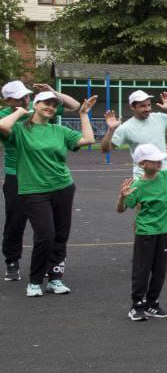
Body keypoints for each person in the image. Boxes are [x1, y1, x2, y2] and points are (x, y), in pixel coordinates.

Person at [0, 90, 97, 297]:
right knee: (46, 235)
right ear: (35, 104)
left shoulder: (59, 130)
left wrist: (83, 114)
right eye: (46, 103)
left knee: (60, 236)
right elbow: (2, 126)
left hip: (63, 187)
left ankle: (55, 279)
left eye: (54, 105)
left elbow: (88, 139)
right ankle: (34, 282)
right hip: (33, 190)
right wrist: (20, 112)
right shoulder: (21, 130)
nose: (51, 107)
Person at [116, 142, 167, 320]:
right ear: (142, 164)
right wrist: (122, 197)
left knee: (160, 269)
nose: (159, 163)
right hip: (146, 232)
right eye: (154, 161)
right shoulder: (138, 185)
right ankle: (137, 304)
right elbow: (121, 209)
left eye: (160, 160)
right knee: (142, 268)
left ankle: (152, 303)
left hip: (165, 230)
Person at [102, 89, 167, 179]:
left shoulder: (159, 118)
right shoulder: (126, 128)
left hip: (165, 173)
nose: (147, 109)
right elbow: (105, 149)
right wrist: (110, 130)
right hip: (142, 177)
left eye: (149, 105)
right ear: (132, 107)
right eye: (142, 106)